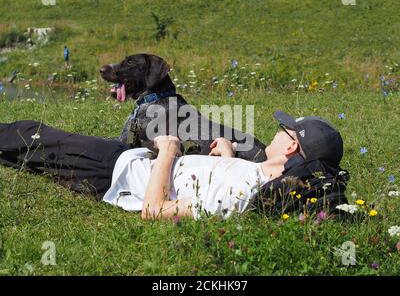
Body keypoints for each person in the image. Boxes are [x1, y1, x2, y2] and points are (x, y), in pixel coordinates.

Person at [0, 111, 345, 220]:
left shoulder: (242, 195)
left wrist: (168, 151)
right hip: (128, 161)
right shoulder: (259, 177)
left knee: (31, 136)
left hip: (113, 174)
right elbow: (222, 186)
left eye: (283, 130)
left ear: (290, 146)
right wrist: (225, 155)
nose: (275, 130)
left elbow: (154, 209)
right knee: (29, 152)